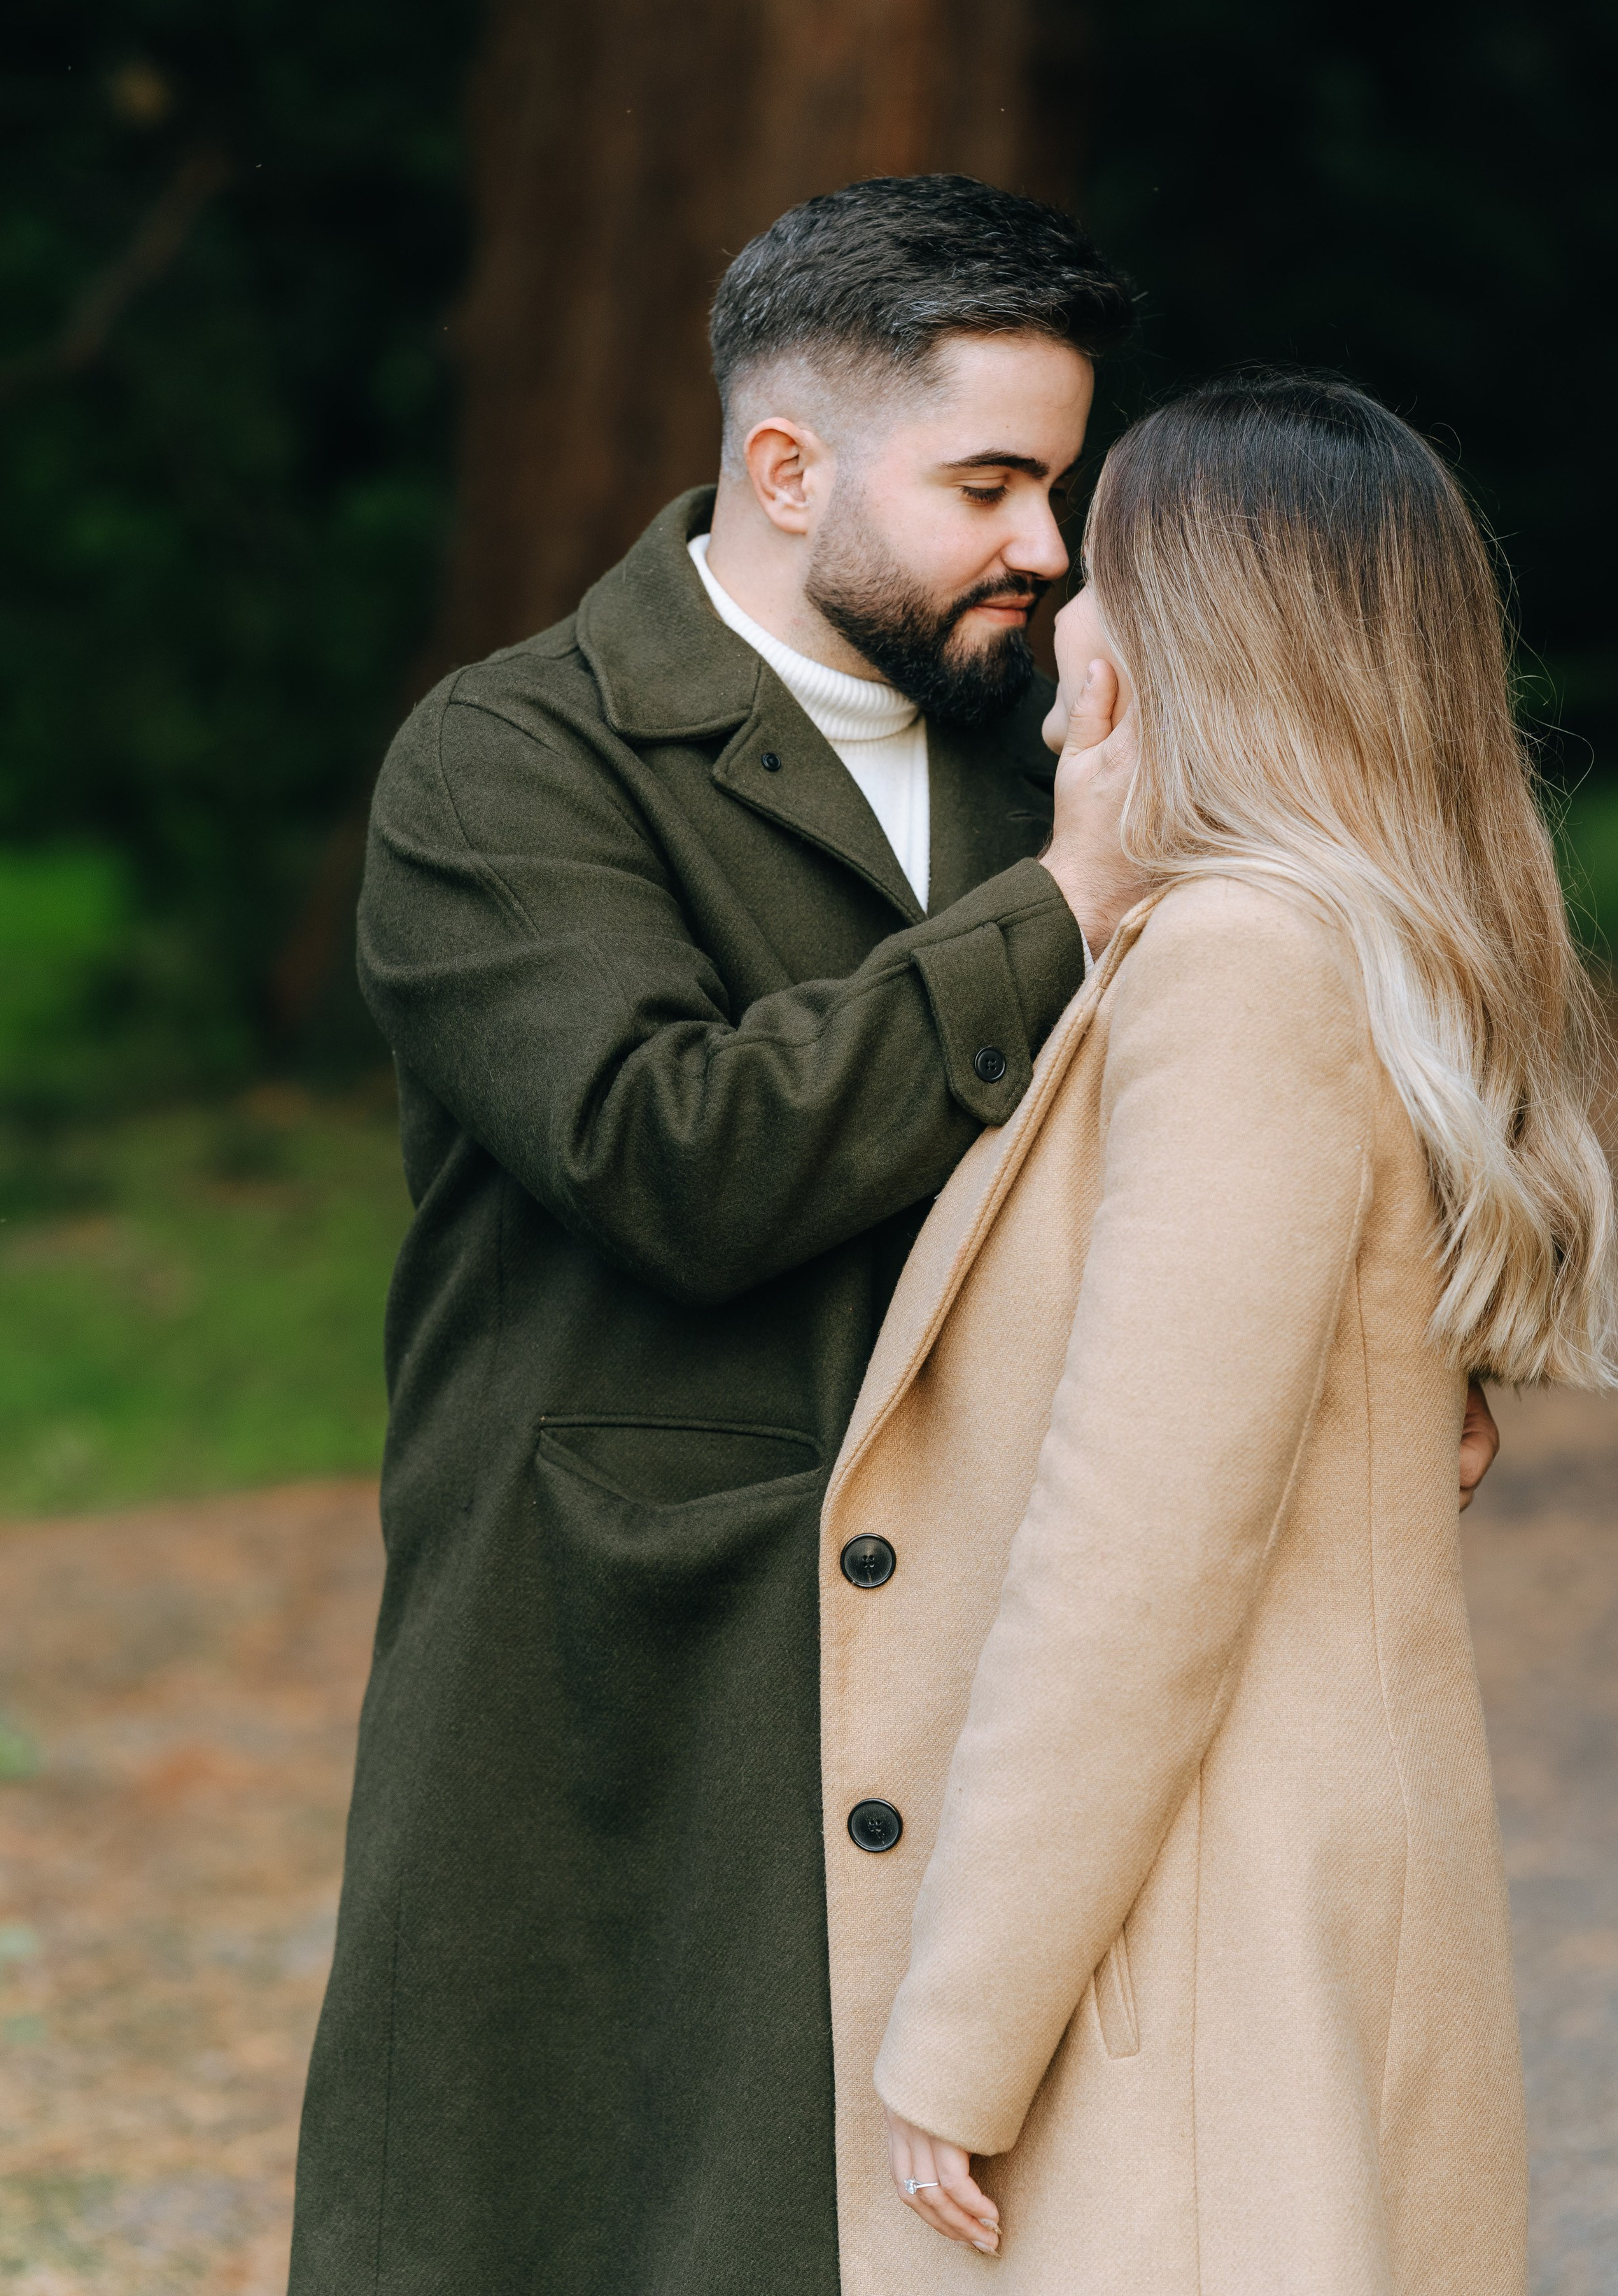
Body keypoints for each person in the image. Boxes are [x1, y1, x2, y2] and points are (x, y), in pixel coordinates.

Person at [288, 175, 1158, 2296]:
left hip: (1002, 1616)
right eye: (989, 486)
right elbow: (667, 1151)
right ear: (786, 470)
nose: (1049, 546)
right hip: (629, 1662)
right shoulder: (506, 761)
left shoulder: (1059, 753)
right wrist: (1063, 914)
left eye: (1056, 486)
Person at [821, 372, 1618, 2294]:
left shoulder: (1240, 963)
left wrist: (963, 2023)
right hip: (1255, 1906)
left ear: (1196, 634)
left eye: (1103, 570)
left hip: (1193, 1952)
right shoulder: (1330, 940)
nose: (1063, 608)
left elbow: (1137, 1550)